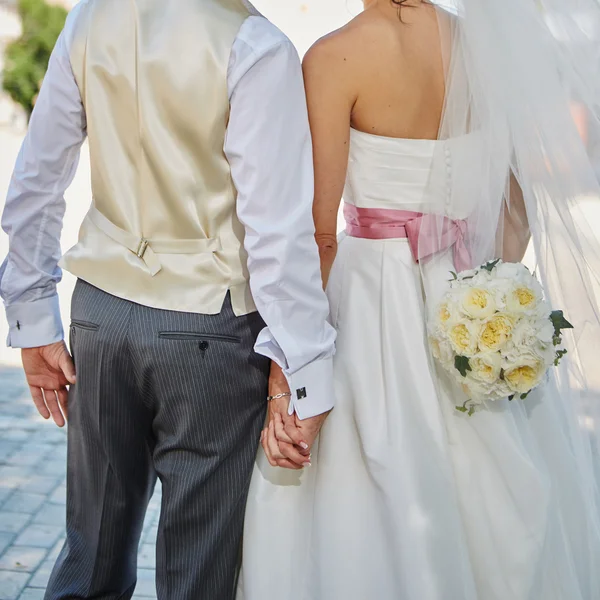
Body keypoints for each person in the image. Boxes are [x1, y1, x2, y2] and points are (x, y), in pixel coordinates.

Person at [238, 0, 600, 598]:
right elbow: (515, 208)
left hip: (370, 301)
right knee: (489, 485)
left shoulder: (333, 58)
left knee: (369, 483)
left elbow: (319, 235)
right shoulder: (485, 48)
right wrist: (492, 302)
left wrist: (287, 376)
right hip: (466, 294)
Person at [0, 0, 336, 598]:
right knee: (196, 572)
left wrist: (33, 319)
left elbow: (36, 179)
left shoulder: (90, 16)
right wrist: (304, 368)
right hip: (209, 330)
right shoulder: (255, 44)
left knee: (90, 558)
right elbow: (277, 233)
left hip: (100, 314)